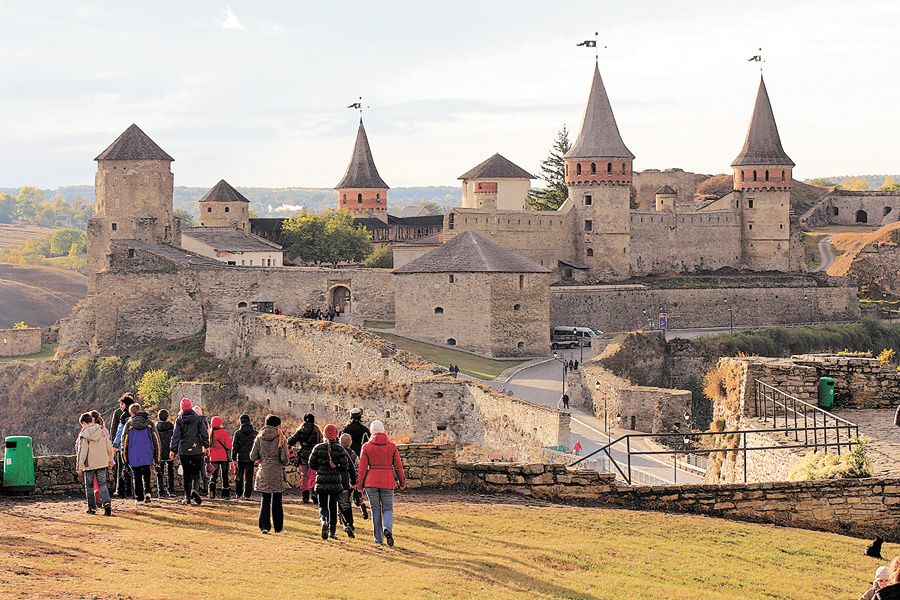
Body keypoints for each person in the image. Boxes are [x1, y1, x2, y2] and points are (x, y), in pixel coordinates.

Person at [358, 420, 406, 547]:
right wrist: (402, 482)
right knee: (388, 508)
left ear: (371, 431)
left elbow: (362, 469)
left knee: (375, 510)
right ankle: (387, 528)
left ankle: (378, 539)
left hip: (370, 481)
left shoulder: (366, 447)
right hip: (387, 481)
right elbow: (398, 467)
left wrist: (359, 486)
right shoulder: (392, 446)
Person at [308, 424, 350, 540]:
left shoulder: (318, 448)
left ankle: (323, 521)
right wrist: (336, 468)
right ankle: (332, 532)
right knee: (333, 506)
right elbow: (344, 467)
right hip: (335, 482)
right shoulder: (340, 449)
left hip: (321, 481)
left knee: (322, 505)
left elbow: (311, 464)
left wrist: (320, 469)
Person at [250, 414, 289, 535]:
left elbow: (252, 456)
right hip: (276, 471)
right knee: (277, 501)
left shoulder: (260, 437)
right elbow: (285, 459)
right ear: (278, 425)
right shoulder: (281, 437)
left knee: (264, 500)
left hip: (264, 470)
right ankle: (278, 526)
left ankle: (264, 526)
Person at [170, 398, 209, 505]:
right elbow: (204, 433)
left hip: (184, 450)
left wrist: (173, 449)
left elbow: (176, 436)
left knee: (186, 474)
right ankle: (194, 490)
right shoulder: (198, 418)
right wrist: (206, 446)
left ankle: (187, 497)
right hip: (196, 449)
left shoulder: (179, 420)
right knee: (196, 472)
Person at [75, 412, 115, 516]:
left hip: (89, 464)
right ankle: (107, 504)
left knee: (89, 486)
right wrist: (110, 459)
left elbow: (82, 452)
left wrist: (79, 467)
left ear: (84, 423)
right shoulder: (101, 431)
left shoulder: (84, 434)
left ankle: (91, 508)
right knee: (102, 484)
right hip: (102, 462)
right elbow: (109, 447)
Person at [121, 403, 160, 505]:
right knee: (147, 474)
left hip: (133, 454)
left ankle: (139, 497)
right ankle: (148, 492)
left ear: (130, 412)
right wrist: (157, 456)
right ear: (140, 410)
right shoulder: (149, 423)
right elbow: (156, 440)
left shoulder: (129, 425)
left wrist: (124, 458)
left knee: (136, 476)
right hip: (147, 453)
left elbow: (124, 442)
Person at [288, 413, 322, 503]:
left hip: (303, 455)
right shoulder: (316, 430)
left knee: (304, 475)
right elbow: (321, 441)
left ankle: (305, 495)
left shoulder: (300, 430)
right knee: (313, 475)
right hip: (314, 454)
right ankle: (314, 493)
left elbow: (290, 441)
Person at [338, 433, 364, 533]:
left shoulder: (338, 451)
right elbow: (357, 466)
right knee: (346, 501)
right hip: (348, 482)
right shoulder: (353, 455)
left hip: (338, 480)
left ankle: (340, 517)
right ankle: (348, 523)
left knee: (338, 501)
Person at [111, 393, 135, 498]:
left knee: (121, 468)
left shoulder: (123, 416)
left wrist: (115, 444)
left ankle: (120, 490)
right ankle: (131, 490)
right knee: (133, 469)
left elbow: (119, 431)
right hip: (134, 446)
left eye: (122, 403)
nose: (121, 406)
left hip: (123, 446)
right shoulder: (137, 415)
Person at [232, 414, 258, 500]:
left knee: (239, 476)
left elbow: (235, 447)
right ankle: (247, 495)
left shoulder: (238, 433)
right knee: (249, 477)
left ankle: (238, 493)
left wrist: (234, 459)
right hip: (251, 458)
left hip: (240, 457)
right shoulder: (255, 433)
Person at [207, 416, 233, 499]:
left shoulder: (210, 434)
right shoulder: (224, 433)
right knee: (224, 475)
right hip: (223, 457)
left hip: (213, 457)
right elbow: (229, 446)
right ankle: (225, 493)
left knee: (213, 475)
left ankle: (211, 492)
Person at [154, 409, 175, 498]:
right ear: (167, 417)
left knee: (160, 472)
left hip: (159, 452)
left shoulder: (155, 428)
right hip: (169, 451)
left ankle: (161, 491)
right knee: (170, 471)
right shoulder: (172, 427)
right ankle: (170, 489)